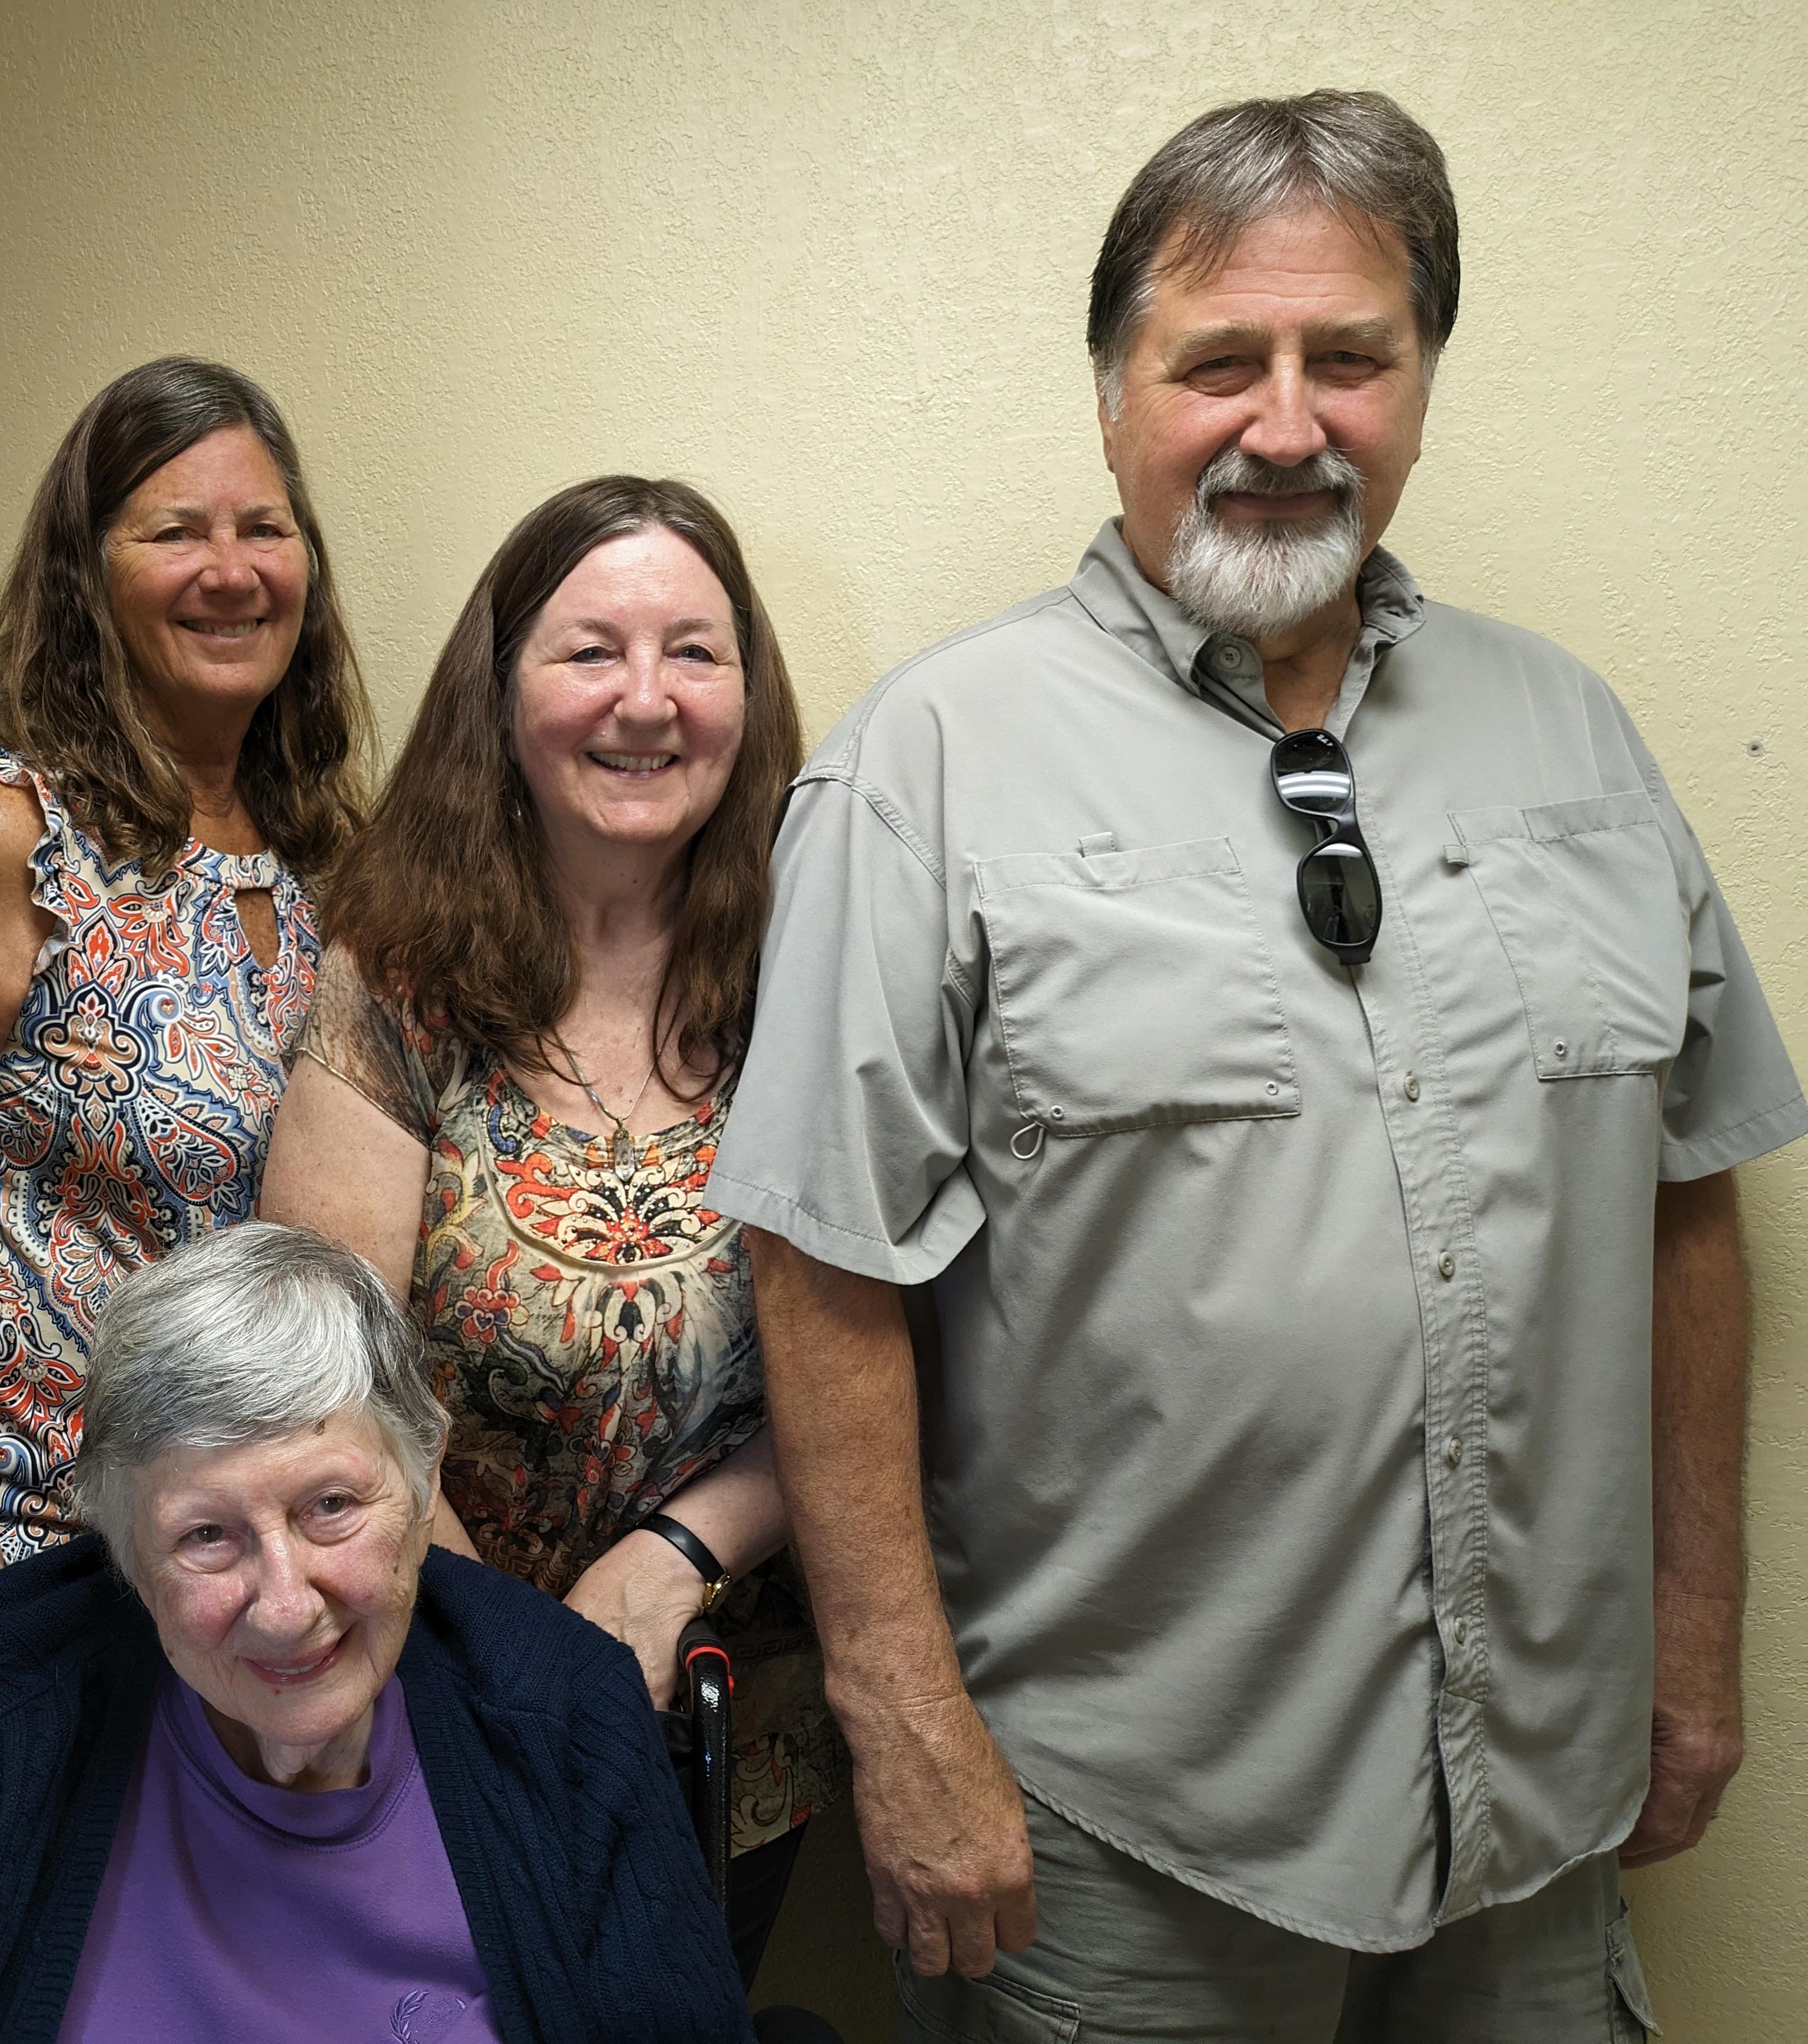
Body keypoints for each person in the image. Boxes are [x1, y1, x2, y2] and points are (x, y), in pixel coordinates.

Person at [705, 89, 1807, 2041]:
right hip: (1119, 1848)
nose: (1287, 424)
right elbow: (820, 1268)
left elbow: (1683, 1206)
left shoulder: (1571, 736)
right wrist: (904, 1729)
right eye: (1219, 360)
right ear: (1115, 390)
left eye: (1350, 362)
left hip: (1534, 1813)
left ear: (1419, 385)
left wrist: (1693, 1647)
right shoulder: (929, 766)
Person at [261, 476, 835, 1983]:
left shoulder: (823, 975)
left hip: (728, 1714)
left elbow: (890, 1355)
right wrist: (504, 1665)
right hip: (426, 1682)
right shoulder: (395, 977)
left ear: (746, 689)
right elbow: (324, 1363)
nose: (643, 699)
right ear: (501, 691)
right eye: (590, 650)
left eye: (693, 653)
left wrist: (673, 1556)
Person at [0, 1222, 757, 2043]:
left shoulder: (565, 1707)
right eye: (207, 1536)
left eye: (332, 1508)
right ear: (120, 1547)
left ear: (424, 1468)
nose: (287, 1604)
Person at [0, 357, 373, 1637]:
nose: (229, 569)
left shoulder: (328, 861)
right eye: (172, 531)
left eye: (262, 529)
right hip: (42, 1543)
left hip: (274, 1562)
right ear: (88, 574)